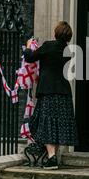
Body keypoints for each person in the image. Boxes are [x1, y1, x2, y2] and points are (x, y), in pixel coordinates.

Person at [23, 21, 78, 170]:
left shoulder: (48, 46)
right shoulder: (68, 51)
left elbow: (30, 57)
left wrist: (28, 46)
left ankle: (52, 157)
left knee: (46, 124)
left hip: (48, 91)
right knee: (59, 125)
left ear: (56, 32)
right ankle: (53, 156)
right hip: (64, 92)